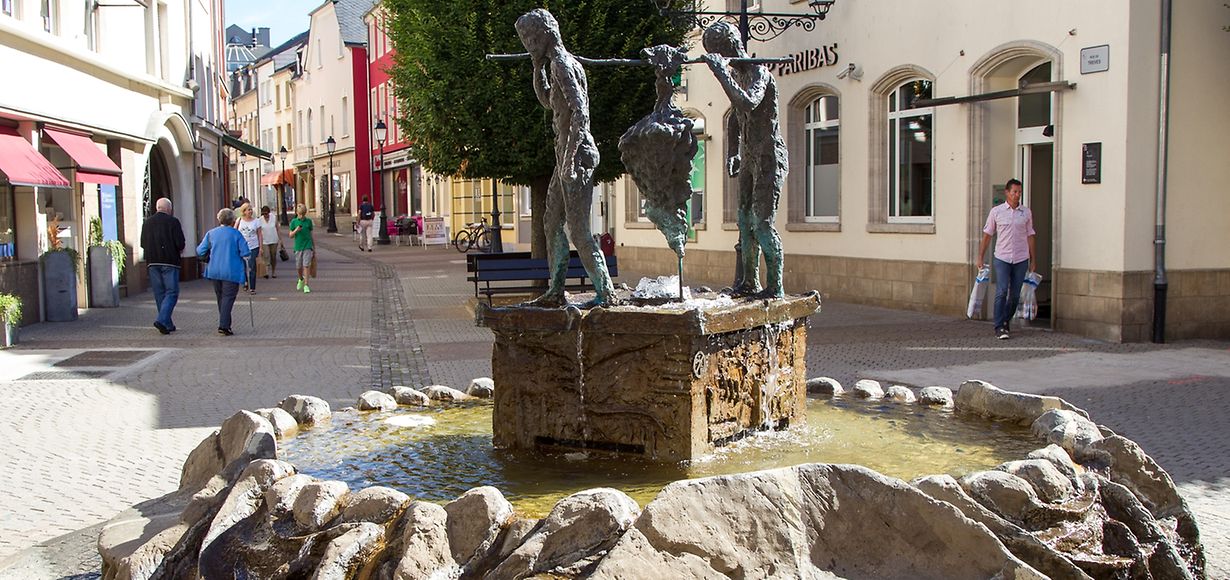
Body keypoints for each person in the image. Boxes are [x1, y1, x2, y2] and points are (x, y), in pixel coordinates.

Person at [516, 8, 615, 308]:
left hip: (577, 154)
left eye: (531, 38)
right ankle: (556, 290)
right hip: (567, 155)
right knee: (551, 222)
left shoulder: (562, 64)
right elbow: (549, 102)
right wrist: (536, 69)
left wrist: (570, 160)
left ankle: (606, 293)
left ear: (546, 34)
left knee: (578, 229)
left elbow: (580, 114)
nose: (528, 45)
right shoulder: (554, 65)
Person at [701, 21, 788, 299]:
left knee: (762, 223)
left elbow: (747, 103)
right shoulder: (738, 76)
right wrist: (733, 152)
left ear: (730, 48)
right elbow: (734, 118)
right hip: (749, 157)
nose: (720, 59)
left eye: (719, 53)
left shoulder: (759, 73)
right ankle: (749, 281)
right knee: (743, 221)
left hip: (769, 156)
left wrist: (720, 74)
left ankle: (775, 286)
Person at [976, 178, 1036, 340]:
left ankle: (1005, 320)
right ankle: (998, 326)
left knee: (1015, 295)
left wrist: (1033, 259)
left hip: (1021, 258)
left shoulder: (1026, 213)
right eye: (1014, 192)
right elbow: (987, 235)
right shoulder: (997, 212)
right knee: (1002, 291)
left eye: (1019, 192)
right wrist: (980, 257)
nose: (1017, 195)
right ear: (1007, 193)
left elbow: (1030, 236)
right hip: (1002, 257)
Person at [197, 208, 250, 336]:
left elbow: (200, 250)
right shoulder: (236, 234)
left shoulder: (211, 233)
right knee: (228, 297)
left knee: (220, 297)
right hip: (231, 271)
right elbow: (245, 252)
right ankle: (224, 325)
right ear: (232, 220)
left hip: (215, 270)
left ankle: (225, 323)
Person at [139, 197, 185, 335]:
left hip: (153, 262)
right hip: (170, 262)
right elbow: (180, 243)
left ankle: (167, 324)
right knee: (172, 292)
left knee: (159, 293)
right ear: (169, 209)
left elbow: (142, 243)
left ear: (157, 207)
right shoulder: (173, 222)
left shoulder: (147, 222)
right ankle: (162, 320)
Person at [235, 203, 263, 294]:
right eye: (248, 210)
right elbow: (234, 233)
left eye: (251, 209)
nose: (250, 211)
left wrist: (260, 247)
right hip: (242, 247)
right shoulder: (239, 220)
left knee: (252, 267)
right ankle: (245, 282)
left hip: (253, 246)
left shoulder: (256, 221)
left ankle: (252, 287)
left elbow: (259, 234)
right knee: (242, 266)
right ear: (244, 212)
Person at [289, 203, 315, 294]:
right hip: (298, 247)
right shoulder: (294, 222)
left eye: (303, 214)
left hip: (307, 246)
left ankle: (306, 285)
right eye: (300, 214)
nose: (301, 216)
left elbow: (311, 234)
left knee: (306, 265)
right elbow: (290, 235)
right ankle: (301, 279)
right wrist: (296, 230)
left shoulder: (308, 222)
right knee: (298, 266)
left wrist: (313, 247)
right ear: (297, 213)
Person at [258, 205, 281, 279]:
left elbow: (277, 229)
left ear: (269, 213)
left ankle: (273, 272)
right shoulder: (260, 220)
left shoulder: (274, 218)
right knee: (266, 256)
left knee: (273, 256)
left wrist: (281, 240)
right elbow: (258, 231)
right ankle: (266, 272)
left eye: (266, 213)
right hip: (265, 241)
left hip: (274, 240)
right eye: (263, 214)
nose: (265, 215)